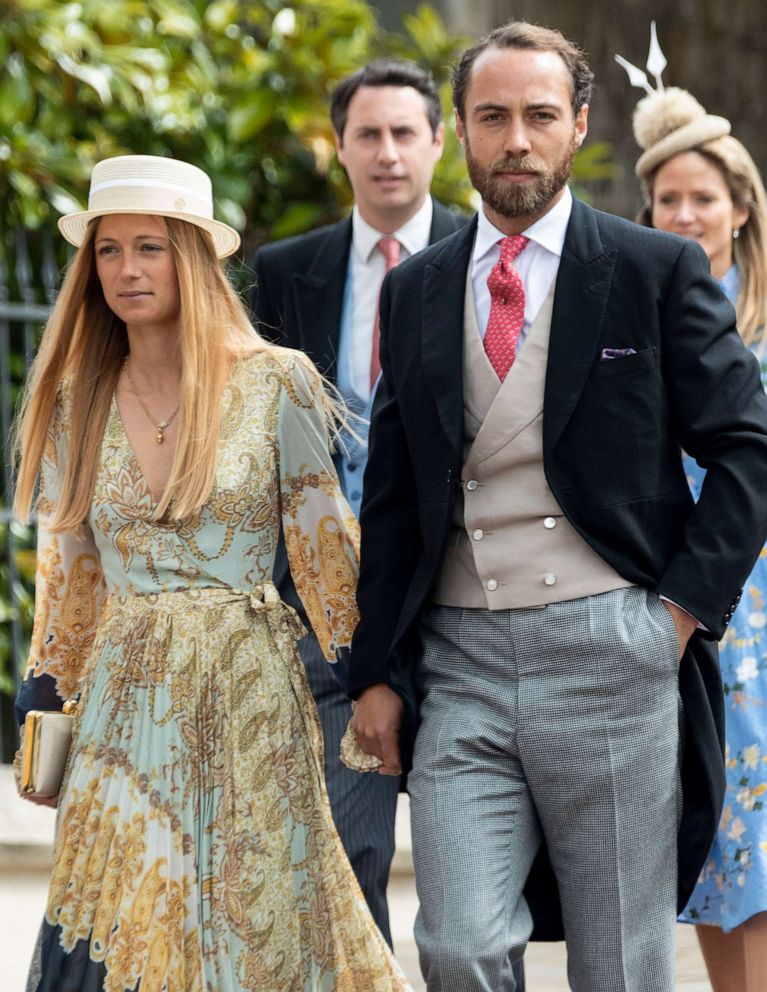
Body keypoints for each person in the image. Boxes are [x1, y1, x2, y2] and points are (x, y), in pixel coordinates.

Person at [344, 20, 767, 992]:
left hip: (612, 649)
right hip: (458, 660)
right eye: (491, 117)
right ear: (457, 130)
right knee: (453, 940)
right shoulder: (412, 292)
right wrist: (377, 670)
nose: (516, 140)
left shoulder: (652, 272)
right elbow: (394, 495)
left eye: (539, 116)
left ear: (578, 126)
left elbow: (744, 448)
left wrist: (671, 617)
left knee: (618, 962)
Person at [12, 154, 411, 992]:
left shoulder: (275, 385)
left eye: (150, 247)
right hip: (123, 704)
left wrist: (382, 685)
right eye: (109, 250)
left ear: (191, 255)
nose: (126, 270)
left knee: (253, 923)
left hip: (248, 697)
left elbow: (327, 558)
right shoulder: (72, 397)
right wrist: (45, 705)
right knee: (122, 925)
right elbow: (73, 576)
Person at [250, 59, 467, 948]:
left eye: (403, 133)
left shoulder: (483, 256)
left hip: (458, 594)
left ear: (437, 142)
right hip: (326, 606)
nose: (386, 154)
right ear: (337, 146)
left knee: (465, 878)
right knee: (346, 850)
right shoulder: (287, 269)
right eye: (367, 135)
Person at [622, 39, 767, 992]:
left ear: (740, 207)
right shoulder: (634, 323)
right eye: (666, 200)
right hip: (688, 603)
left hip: (757, 608)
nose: (682, 214)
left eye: (700, 198)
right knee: (720, 846)